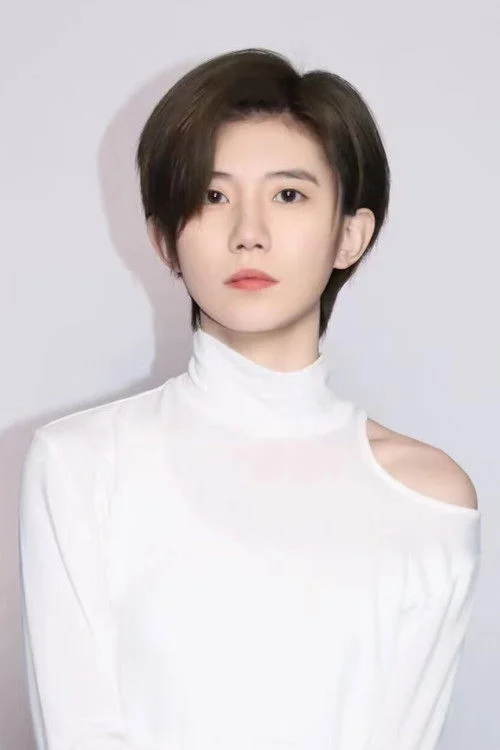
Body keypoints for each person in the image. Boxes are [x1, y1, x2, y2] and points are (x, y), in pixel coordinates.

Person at [18, 48, 481, 750]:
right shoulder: (81, 464)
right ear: (165, 239)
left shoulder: (429, 499)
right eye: (213, 197)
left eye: (289, 195)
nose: (249, 234)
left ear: (349, 235)